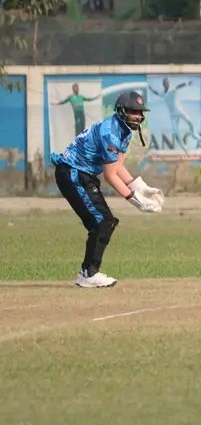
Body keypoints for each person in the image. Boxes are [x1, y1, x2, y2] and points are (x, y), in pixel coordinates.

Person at [51, 91, 165, 288]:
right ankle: (89, 274)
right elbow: (110, 176)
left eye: (140, 112)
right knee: (102, 221)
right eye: (134, 111)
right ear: (121, 111)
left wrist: (140, 187)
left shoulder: (125, 131)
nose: (138, 116)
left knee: (105, 222)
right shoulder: (110, 133)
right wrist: (136, 200)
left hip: (82, 175)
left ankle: (88, 272)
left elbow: (117, 166)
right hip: (73, 173)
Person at [148, 77, 201, 153]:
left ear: (169, 83)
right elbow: (157, 93)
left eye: (167, 83)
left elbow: (179, 86)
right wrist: (150, 89)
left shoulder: (172, 89)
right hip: (172, 115)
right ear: (163, 85)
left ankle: (194, 133)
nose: (167, 84)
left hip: (179, 111)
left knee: (189, 120)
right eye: (165, 83)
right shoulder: (163, 93)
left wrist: (187, 83)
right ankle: (183, 146)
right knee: (176, 131)